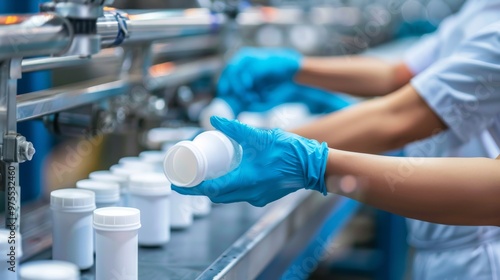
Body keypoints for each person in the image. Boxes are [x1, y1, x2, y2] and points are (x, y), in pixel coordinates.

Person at [182, 1, 500, 279]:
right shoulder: (483, 8)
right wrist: (296, 68)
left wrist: (311, 163)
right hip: (443, 244)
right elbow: (402, 76)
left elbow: (402, 118)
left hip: (482, 253)